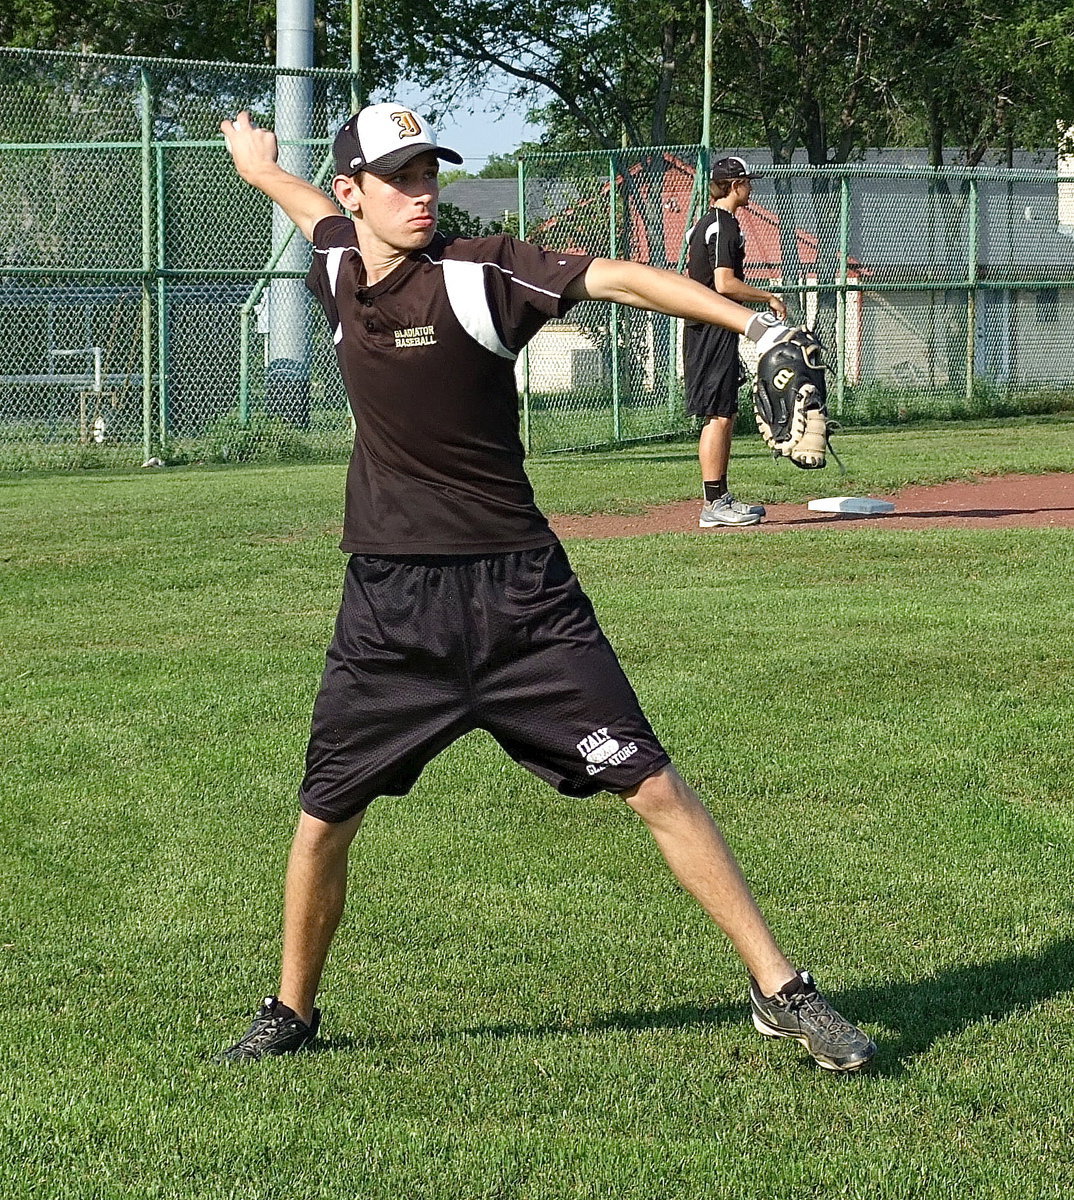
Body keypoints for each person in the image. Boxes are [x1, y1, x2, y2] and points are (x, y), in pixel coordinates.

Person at [217, 104, 875, 1072]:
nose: (422, 191)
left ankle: (782, 989)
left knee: (652, 783)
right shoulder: (337, 266)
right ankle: (292, 1009)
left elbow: (614, 276)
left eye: (429, 172)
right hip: (390, 608)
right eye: (398, 177)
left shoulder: (478, 274)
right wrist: (257, 167)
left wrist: (752, 325)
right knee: (325, 816)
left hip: (523, 599)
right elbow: (307, 206)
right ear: (357, 192)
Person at [684, 156, 788, 529]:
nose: (751, 187)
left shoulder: (706, 223)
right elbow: (724, 283)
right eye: (747, 181)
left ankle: (719, 499)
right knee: (719, 413)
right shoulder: (723, 224)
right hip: (711, 324)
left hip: (709, 324)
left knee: (723, 410)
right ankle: (715, 504)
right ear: (734, 185)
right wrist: (768, 298)